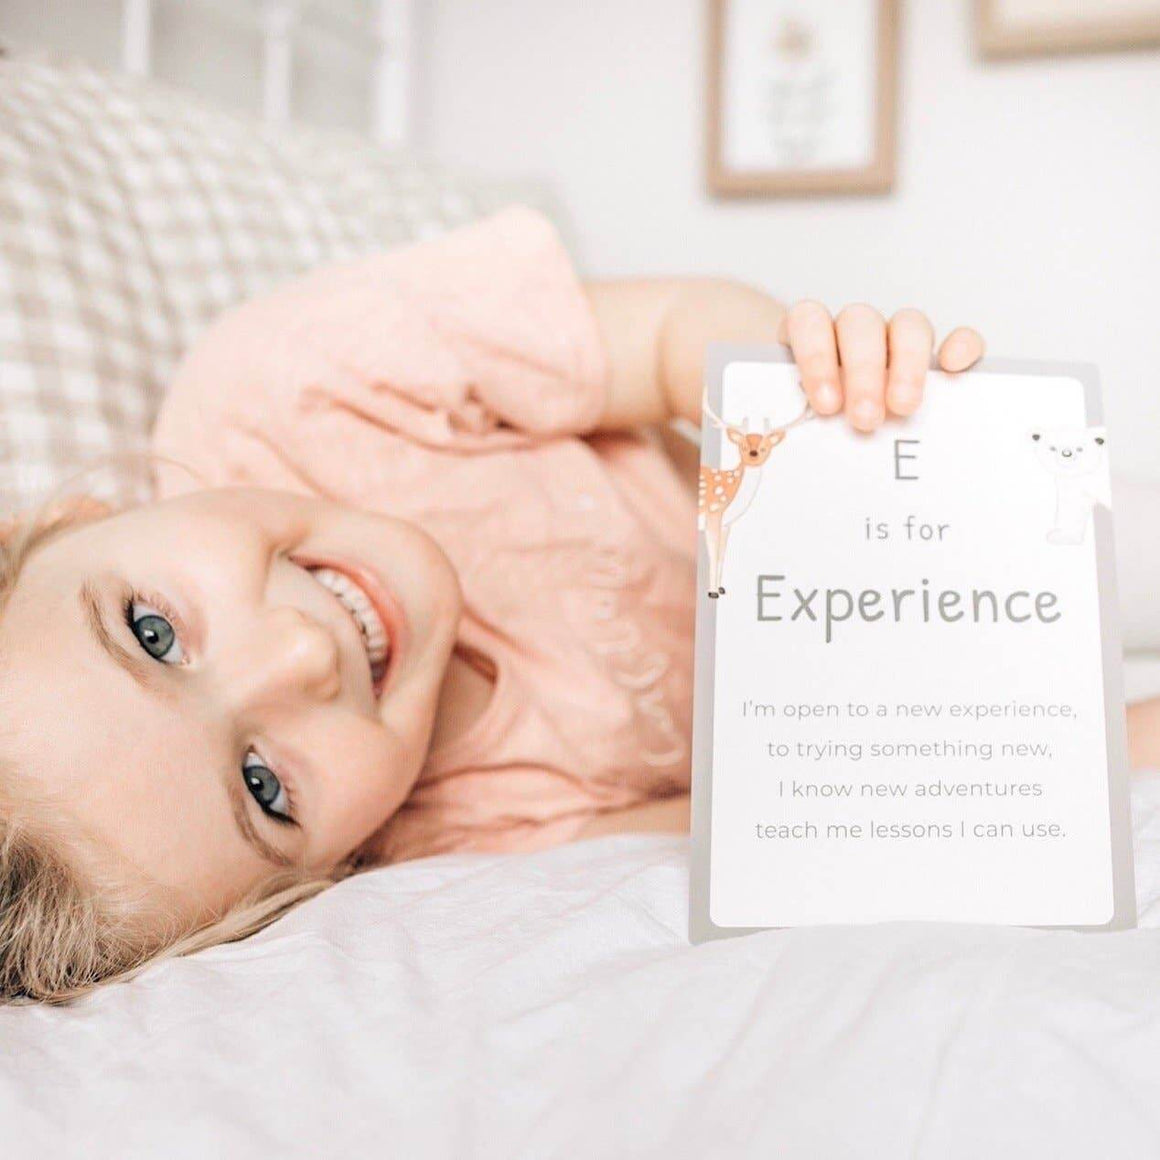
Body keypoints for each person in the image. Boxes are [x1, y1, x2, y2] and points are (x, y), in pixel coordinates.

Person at [0, 206, 1138, 1004]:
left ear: (74, 521)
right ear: (318, 875)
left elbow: (670, 332)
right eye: (264, 785)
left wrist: (813, 399)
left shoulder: (284, 383)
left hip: (874, 494)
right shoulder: (462, 843)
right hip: (908, 675)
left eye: (153, 631)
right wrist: (1098, 742)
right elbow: (771, 812)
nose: (301, 652)